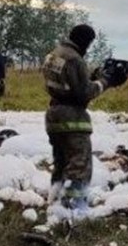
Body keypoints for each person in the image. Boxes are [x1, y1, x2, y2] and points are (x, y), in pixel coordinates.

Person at [42, 24, 120, 212]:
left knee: (61, 162)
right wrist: (104, 82)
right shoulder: (75, 59)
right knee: (79, 164)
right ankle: (73, 208)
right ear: (86, 40)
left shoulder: (54, 54)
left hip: (54, 115)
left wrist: (89, 78)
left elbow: (65, 84)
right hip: (72, 118)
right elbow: (83, 94)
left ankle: (54, 201)